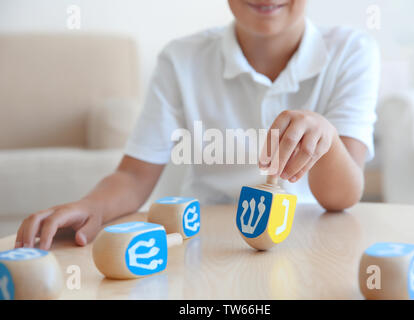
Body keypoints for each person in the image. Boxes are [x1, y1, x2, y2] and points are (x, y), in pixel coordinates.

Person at [15, 0, 380, 250]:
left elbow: (343, 196)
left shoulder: (352, 52)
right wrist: (91, 206)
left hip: (310, 234)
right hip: (203, 240)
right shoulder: (181, 59)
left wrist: (327, 138)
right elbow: (135, 176)